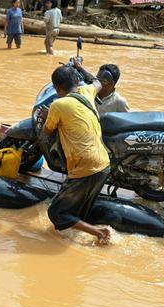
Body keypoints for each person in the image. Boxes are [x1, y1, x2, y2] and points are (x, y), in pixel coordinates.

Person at [37, 59, 111, 243]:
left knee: (55, 213)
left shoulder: (58, 105)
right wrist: (80, 67)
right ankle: (78, 234)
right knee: (80, 208)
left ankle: (100, 233)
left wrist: (46, 116)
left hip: (85, 167)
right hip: (103, 164)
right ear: (76, 81)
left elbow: (47, 132)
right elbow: (97, 82)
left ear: (57, 88)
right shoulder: (86, 91)